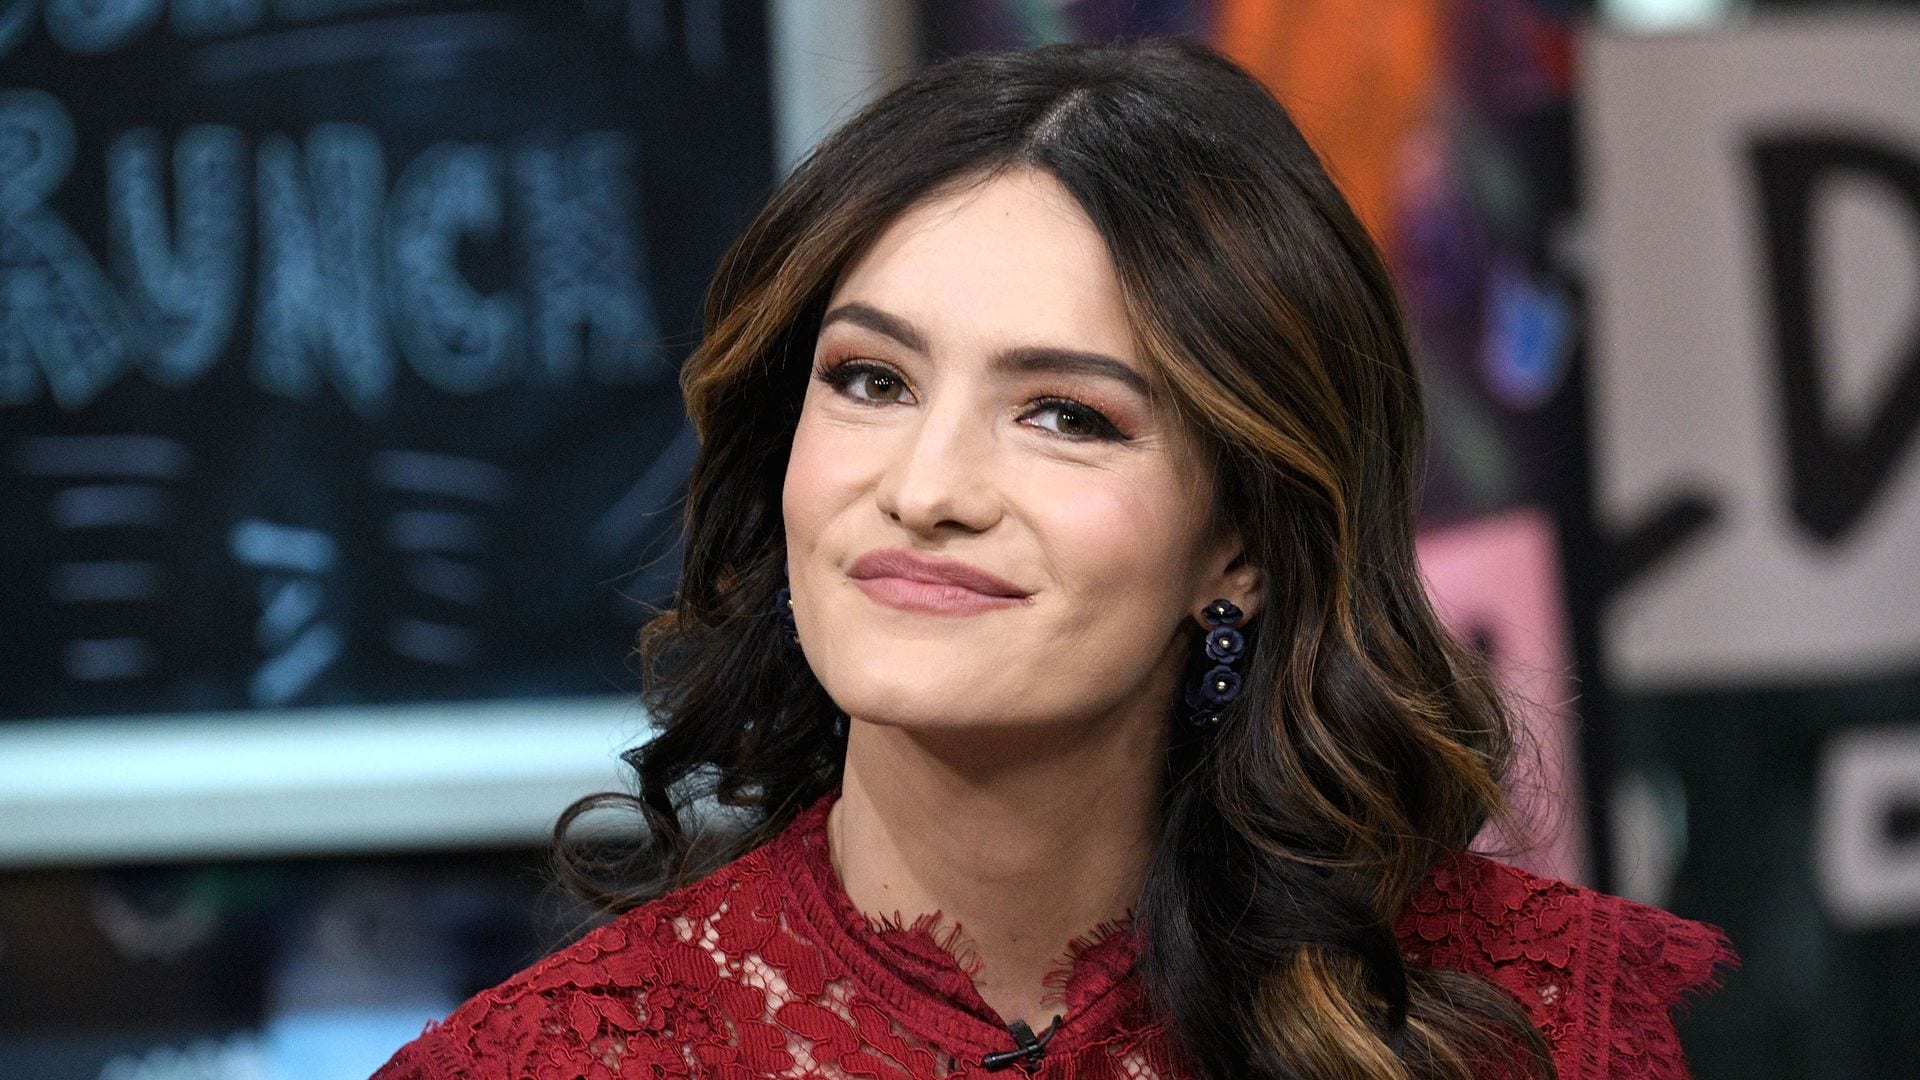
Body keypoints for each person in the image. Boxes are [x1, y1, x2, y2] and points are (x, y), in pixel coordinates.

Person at [374, 37, 1735, 1080]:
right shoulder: (544, 1061)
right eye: (869, 381)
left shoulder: (1547, 1022)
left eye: (1066, 416)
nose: (927, 489)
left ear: (1246, 544)